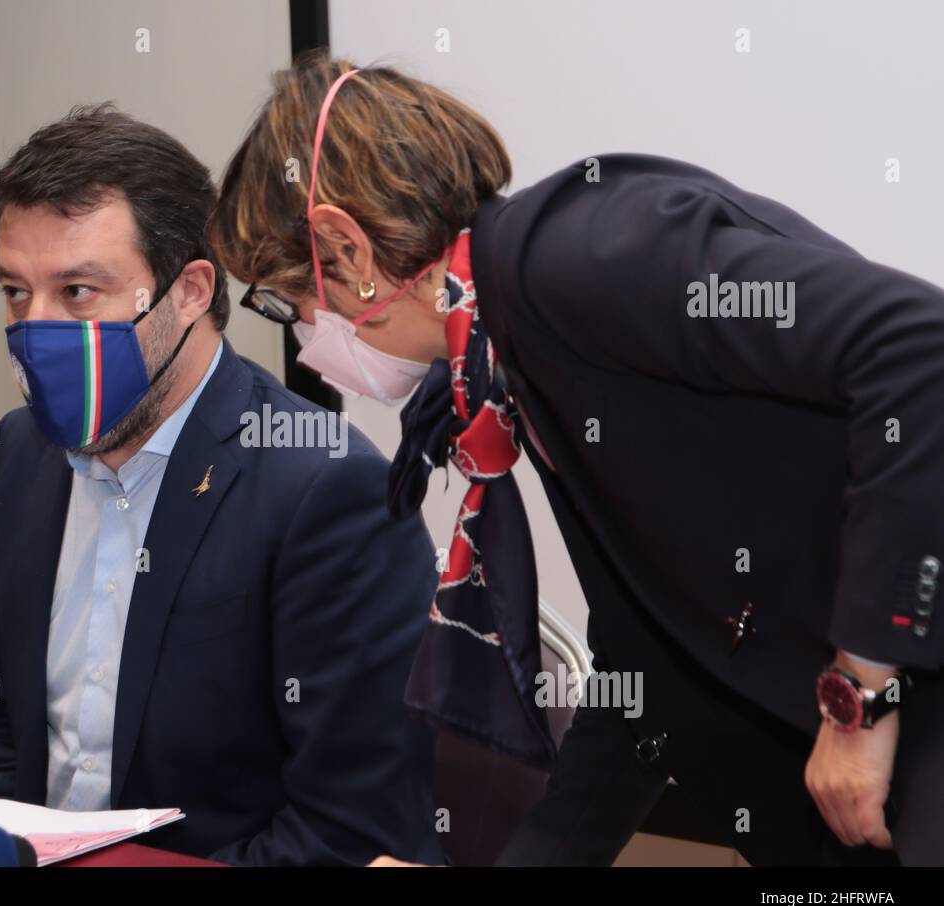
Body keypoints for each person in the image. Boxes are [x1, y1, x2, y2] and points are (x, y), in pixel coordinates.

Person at [207, 52, 944, 865]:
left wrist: (859, 699)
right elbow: (646, 674)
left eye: (291, 299)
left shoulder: (574, 256)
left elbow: (921, 356)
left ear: (344, 246)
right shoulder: (512, 360)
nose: (307, 341)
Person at [0, 104, 444, 867]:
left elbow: (352, 833)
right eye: (16, 294)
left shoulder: (326, 489)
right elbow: (3, 736)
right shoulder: (22, 455)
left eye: (79, 292)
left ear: (189, 291)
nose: (36, 327)